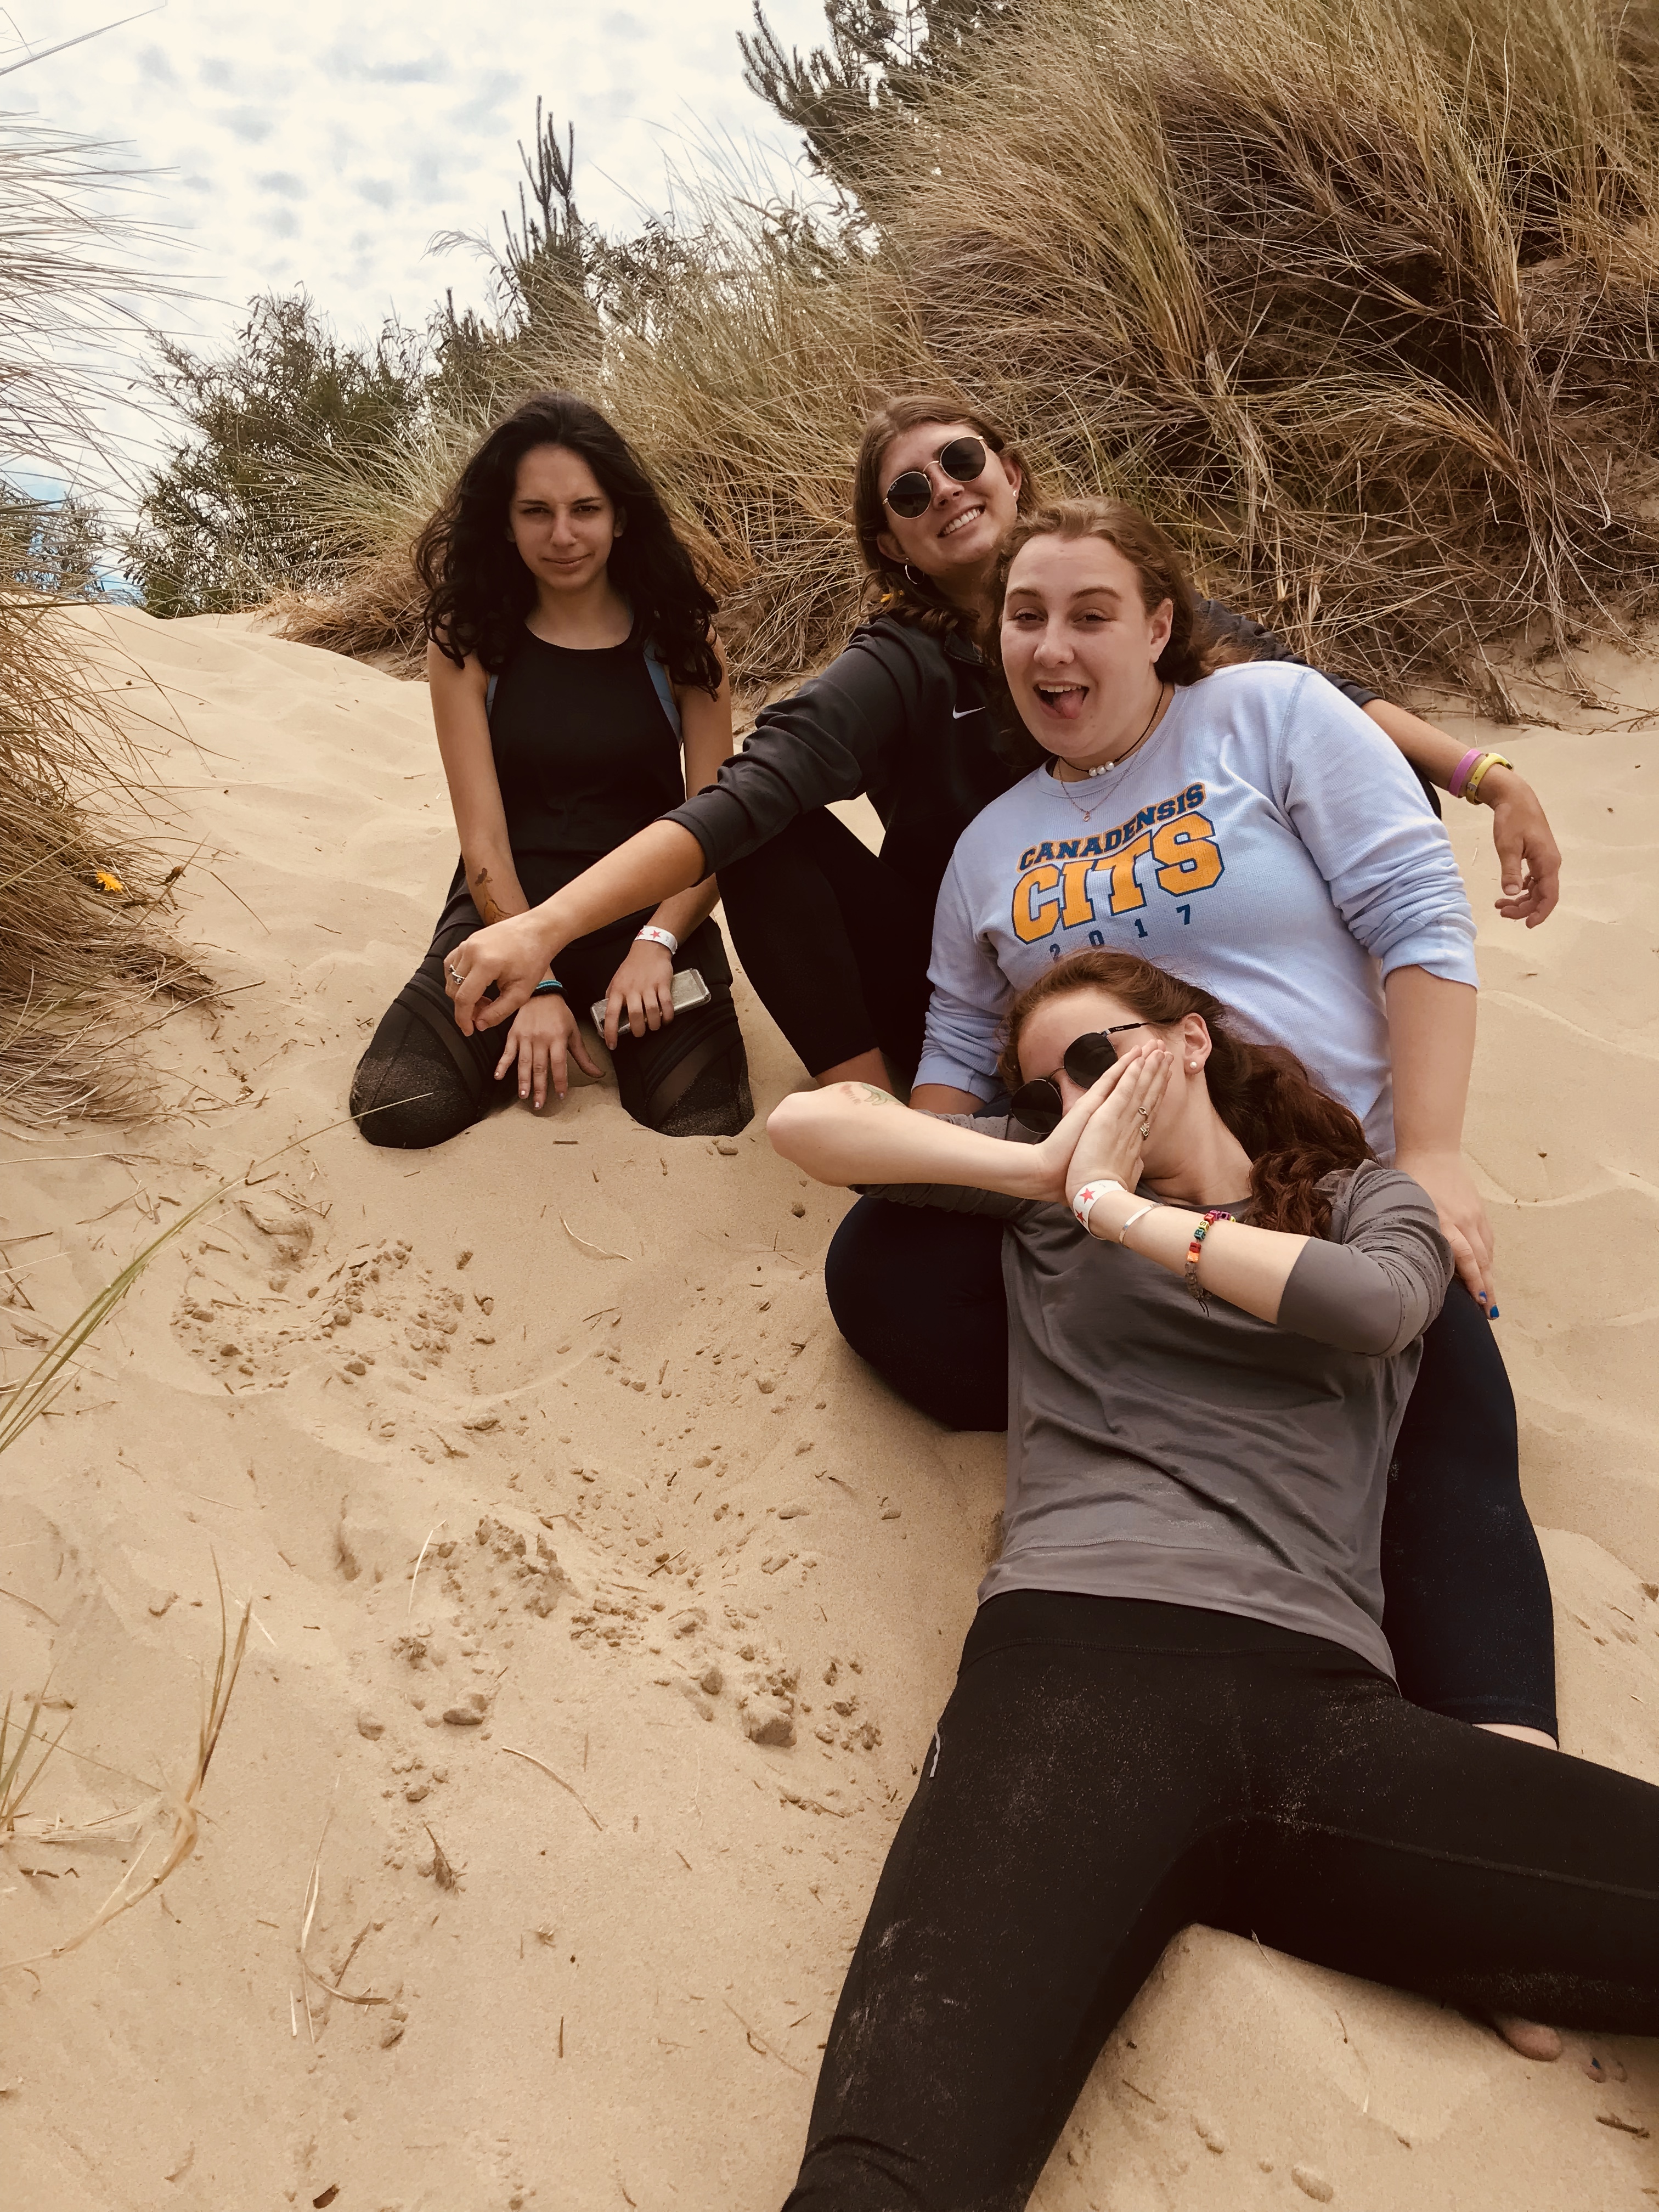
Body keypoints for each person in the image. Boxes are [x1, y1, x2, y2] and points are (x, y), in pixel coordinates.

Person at [766, 953, 1659, 2211]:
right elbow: (808, 1125)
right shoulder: (1046, 1196)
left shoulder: (1362, 1202)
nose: (1076, 1094)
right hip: (1076, 1677)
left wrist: (1124, 1215)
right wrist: (1045, 1167)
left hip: (1326, 1715)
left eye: (1097, 1057)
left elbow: (1377, 1306)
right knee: (890, 2173)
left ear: (1190, 1041)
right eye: (1044, 1087)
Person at [828, 497, 1560, 1785]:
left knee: (1421, 1365)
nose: (1054, 645)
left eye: (1091, 614)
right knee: (876, 1265)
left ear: (1160, 626)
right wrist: (975, 1174)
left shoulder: (1269, 712)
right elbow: (955, 1055)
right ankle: (1172, 1420)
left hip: (1308, 1176)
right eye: (1025, 617)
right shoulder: (989, 846)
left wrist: (1433, 1155)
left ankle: (1511, 1766)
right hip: (1106, 1205)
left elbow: (1417, 917)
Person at [438, 391, 1561, 1098]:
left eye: (962, 460)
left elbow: (1317, 700)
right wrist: (547, 929)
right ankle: (878, 1112)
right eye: (909, 492)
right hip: (973, 981)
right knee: (771, 832)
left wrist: (1484, 775)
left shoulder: (1120, 592)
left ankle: (1349, 1066)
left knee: (1368, 785)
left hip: (1170, 926)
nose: (946, 491)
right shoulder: (899, 663)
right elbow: (746, 791)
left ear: (1011, 471)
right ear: (893, 543)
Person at [348, 391, 752, 1148]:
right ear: (505, 522)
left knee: (702, 1117)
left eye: (585, 510)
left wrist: (658, 942)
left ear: (620, 516)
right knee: (399, 1105)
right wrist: (536, 979)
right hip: (508, 909)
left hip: (648, 912)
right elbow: (483, 843)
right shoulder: (468, 642)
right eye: (536, 512)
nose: (563, 535)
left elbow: (716, 829)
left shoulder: (683, 645)